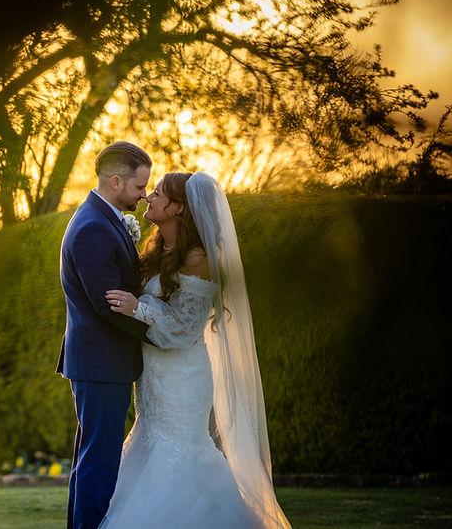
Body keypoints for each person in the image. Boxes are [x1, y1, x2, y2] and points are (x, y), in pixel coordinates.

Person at [101, 171, 291, 528]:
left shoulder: (198, 258)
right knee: (150, 441)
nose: (148, 197)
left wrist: (137, 308)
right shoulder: (158, 250)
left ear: (179, 208)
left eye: (157, 192)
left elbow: (185, 330)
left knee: (180, 452)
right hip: (154, 376)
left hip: (183, 377)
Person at [56, 141, 154, 529]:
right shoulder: (93, 228)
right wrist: (157, 332)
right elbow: (107, 303)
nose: (143, 195)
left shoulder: (102, 218)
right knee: (100, 460)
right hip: (101, 363)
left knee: (91, 458)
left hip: (99, 362)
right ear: (116, 181)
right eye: (139, 187)